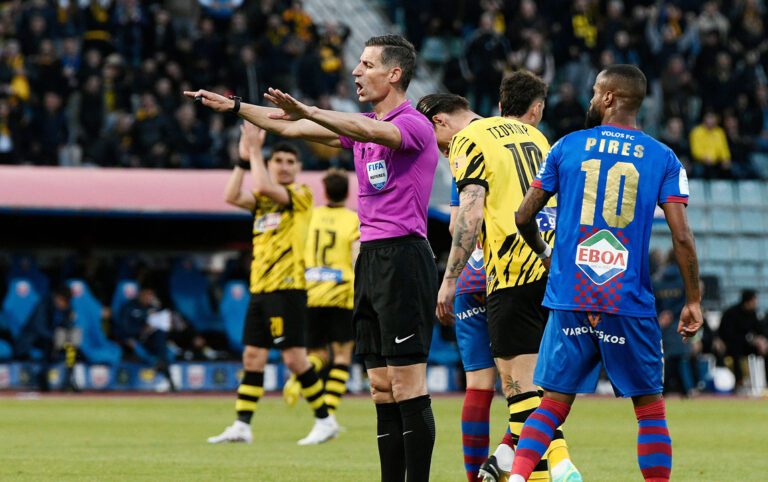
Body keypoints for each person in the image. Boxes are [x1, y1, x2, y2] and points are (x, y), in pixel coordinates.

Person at [186, 34, 439, 482]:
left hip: (404, 257)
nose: (356, 71)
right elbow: (289, 127)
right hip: (370, 260)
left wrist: (311, 111)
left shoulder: (412, 124)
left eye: (367, 65)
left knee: (407, 385)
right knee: (380, 387)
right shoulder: (361, 125)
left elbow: (368, 131)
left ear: (394, 73)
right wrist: (237, 106)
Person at [510, 64, 703, 482]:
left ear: (610, 97)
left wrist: (544, 251)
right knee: (649, 410)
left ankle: (518, 478)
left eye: (597, 92)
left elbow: (523, 215)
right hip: (626, 299)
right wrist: (693, 300)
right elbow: (682, 236)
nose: (592, 99)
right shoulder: (664, 157)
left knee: (551, 406)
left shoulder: (566, 146)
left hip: (571, 294)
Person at [418, 71, 580, 482]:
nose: (440, 150)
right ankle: (524, 461)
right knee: (538, 389)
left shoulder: (469, 140)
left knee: (515, 392)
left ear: (441, 121)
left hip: (508, 271)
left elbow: (468, 215)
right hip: (551, 267)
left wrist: (449, 279)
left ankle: (559, 466)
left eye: (436, 141)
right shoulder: (539, 138)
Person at [208, 123, 338, 446]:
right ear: (269, 164)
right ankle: (242, 425)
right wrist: (243, 159)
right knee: (252, 357)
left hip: (288, 289)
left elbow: (265, 188)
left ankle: (325, 420)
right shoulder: (262, 202)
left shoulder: (301, 195)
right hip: (261, 288)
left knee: (294, 359)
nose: (284, 166)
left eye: (290, 162)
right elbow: (230, 195)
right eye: (278, 161)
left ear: (299, 168)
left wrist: (255, 149)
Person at [282, 169, 360, 417]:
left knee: (317, 353)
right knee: (342, 355)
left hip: (311, 292)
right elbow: (356, 257)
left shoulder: (311, 216)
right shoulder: (353, 220)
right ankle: (330, 413)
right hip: (341, 293)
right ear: (347, 192)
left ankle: (299, 377)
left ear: (324, 192)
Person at [15, 284, 80, 391]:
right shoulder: (44, 304)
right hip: (33, 341)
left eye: (67, 302)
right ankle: (42, 376)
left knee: (72, 342)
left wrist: (66, 335)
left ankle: (69, 379)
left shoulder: (66, 308)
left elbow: (68, 326)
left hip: (51, 342)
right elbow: (39, 329)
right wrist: (56, 338)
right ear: (57, 297)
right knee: (52, 343)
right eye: (64, 301)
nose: (65, 304)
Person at [718, 289, 767, 390]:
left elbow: (759, 330)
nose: (756, 303)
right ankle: (739, 383)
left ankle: (765, 381)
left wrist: (762, 340)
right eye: (754, 301)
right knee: (736, 353)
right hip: (731, 345)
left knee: (765, 351)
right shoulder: (731, 313)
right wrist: (751, 339)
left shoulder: (752, 313)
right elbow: (729, 335)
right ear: (748, 302)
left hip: (747, 346)